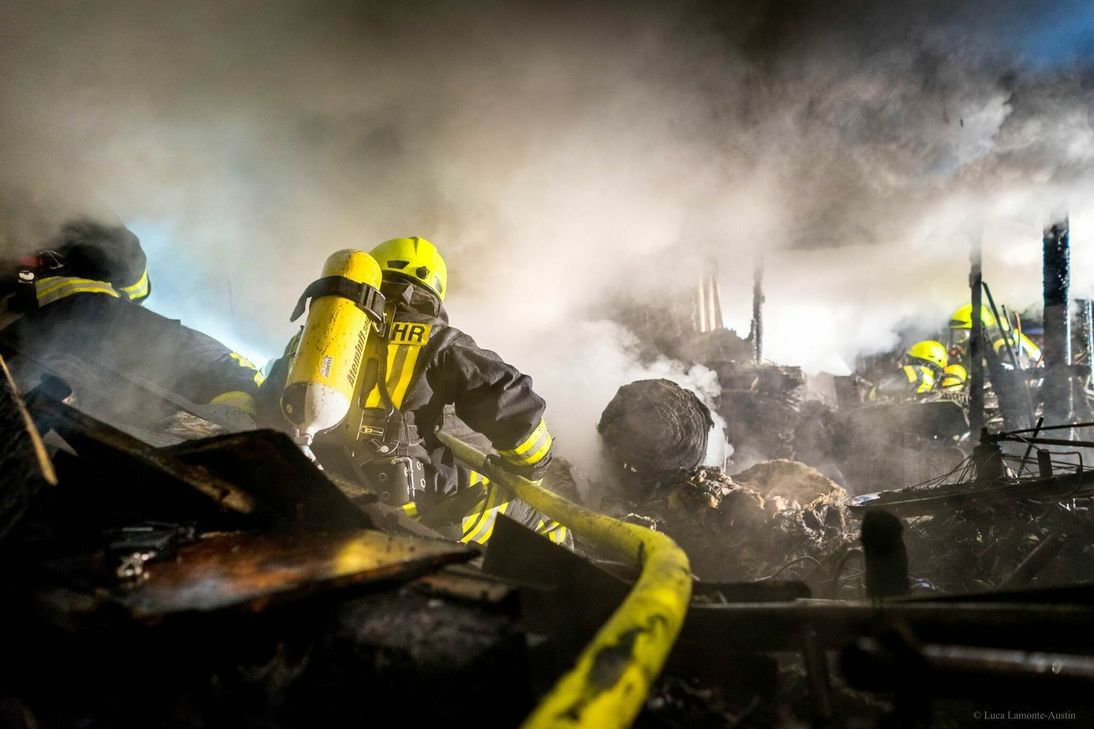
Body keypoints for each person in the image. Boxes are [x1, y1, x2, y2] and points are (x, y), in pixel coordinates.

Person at [258, 236, 568, 546]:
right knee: (546, 523)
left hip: (312, 477)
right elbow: (508, 396)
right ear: (433, 291)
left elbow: (268, 407)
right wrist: (530, 467)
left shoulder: (312, 340)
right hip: (409, 502)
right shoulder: (435, 339)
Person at [0, 217, 263, 417]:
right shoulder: (93, 307)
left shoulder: (93, 310)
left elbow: (226, 368)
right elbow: (229, 368)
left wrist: (231, 419)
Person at [871, 339, 948, 399]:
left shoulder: (914, 371)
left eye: (908, 358)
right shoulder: (931, 378)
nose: (905, 361)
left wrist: (895, 373)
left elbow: (878, 391)